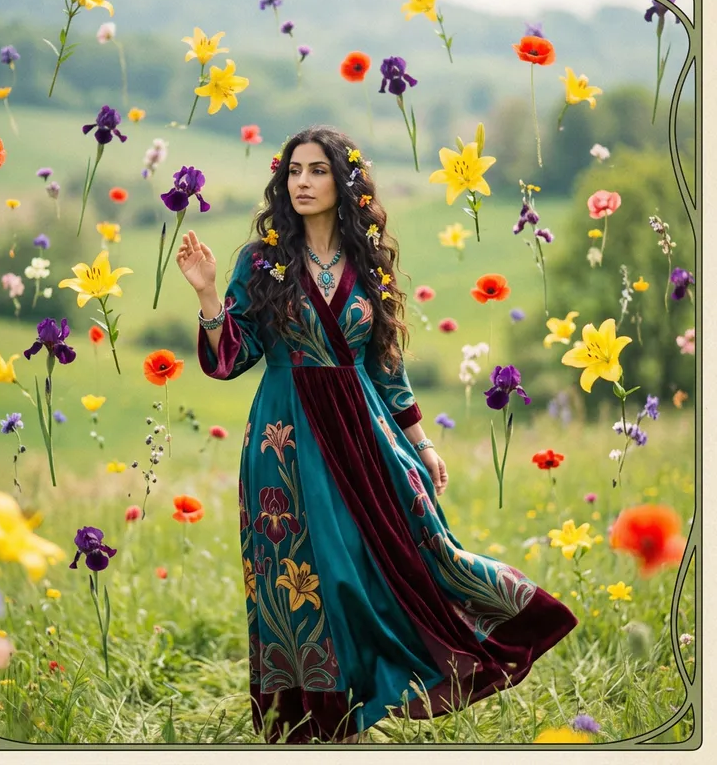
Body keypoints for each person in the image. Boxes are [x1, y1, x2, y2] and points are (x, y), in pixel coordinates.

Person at [176, 125, 578, 745]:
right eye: (293, 171)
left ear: (345, 182)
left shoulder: (369, 261)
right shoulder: (260, 260)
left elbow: (387, 364)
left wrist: (423, 442)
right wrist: (208, 296)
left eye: (317, 170)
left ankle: (394, 684)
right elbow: (232, 357)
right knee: (305, 575)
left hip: (367, 434)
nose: (302, 182)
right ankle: (315, 723)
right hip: (286, 439)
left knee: (398, 560)